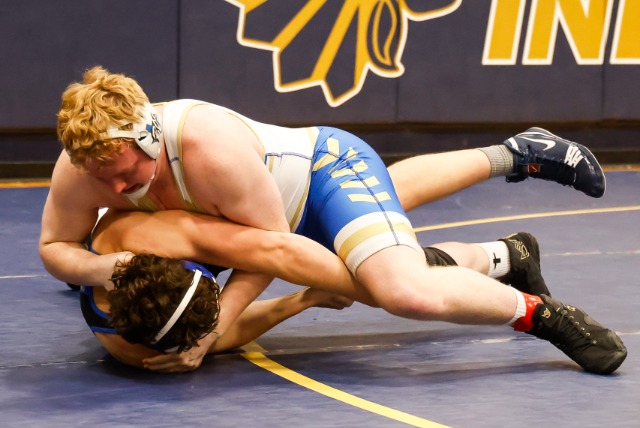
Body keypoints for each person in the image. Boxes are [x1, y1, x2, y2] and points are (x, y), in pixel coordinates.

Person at [43, 66, 619, 375]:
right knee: (391, 232)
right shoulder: (85, 164)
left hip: (323, 174)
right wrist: (103, 269)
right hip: (260, 222)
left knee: (401, 290)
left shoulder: (207, 150)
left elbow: (275, 252)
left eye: (124, 175)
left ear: (148, 136)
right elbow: (55, 247)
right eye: (101, 181)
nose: (114, 192)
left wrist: (217, 324)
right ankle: (509, 231)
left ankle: (540, 314)